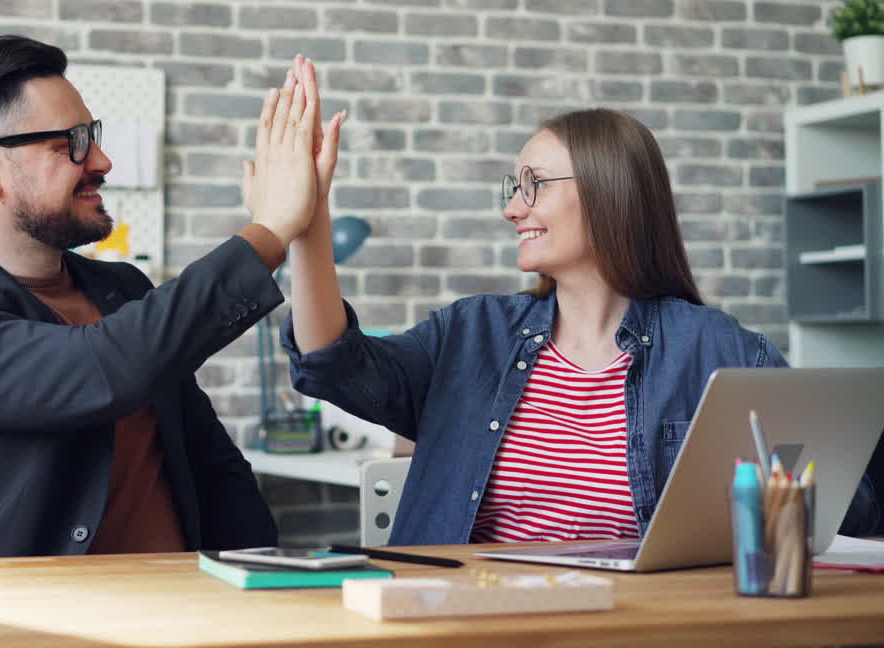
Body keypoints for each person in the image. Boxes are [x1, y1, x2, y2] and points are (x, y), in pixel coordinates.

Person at [278, 56, 880, 544]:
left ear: (608, 194)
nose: (514, 208)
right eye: (514, 188)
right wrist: (309, 220)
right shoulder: (469, 336)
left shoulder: (714, 349)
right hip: (471, 624)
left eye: (533, 186)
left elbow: (853, 502)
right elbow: (333, 361)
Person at [0, 35, 333, 558]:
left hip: (187, 616)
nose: (103, 161)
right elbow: (104, 368)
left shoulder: (123, 291)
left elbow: (213, 469)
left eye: (92, 135)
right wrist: (270, 231)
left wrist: (258, 589)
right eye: (70, 142)